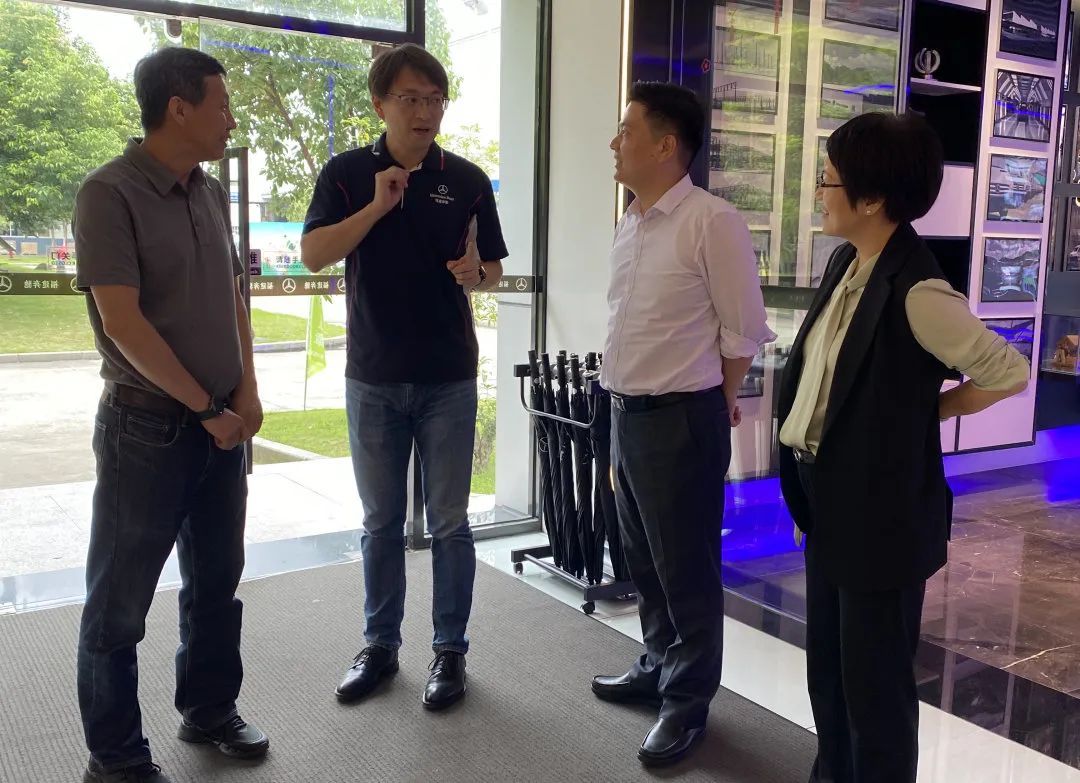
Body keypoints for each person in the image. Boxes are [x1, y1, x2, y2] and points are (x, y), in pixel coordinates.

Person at [777, 112, 1030, 783]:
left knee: (875, 694)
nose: (819, 193)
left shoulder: (919, 290)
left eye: (828, 180)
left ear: (872, 199)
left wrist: (927, 414)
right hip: (831, 503)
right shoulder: (849, 262)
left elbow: (1008, 371)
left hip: (881, 518)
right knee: (830, 677)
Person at [74, 48, 269, 783]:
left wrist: (247, 392)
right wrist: (206, 408)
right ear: (178, 109)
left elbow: (233, 296)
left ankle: (209, 709)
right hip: (147, 429)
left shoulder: (209, 191)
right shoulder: (108, 193)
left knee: (216, 583)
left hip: (222, 428)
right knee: (119, 605)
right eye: (222, 105)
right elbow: (122, 322)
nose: (231, 120)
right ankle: (117, 757)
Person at [300, 43, 507, 711]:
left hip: (448, 376)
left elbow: (492, 268)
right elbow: (313, 254)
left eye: (435, 99)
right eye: (411, 98)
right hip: (374, 376)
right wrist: (376, 207)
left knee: (449, 522)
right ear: (380, 104)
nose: (425, 111)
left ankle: (450, 651)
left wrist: (477, 273)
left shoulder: (467, 179)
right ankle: (380, 646)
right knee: (381, 523)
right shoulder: (346, 173)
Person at [591, 81, 775, 767]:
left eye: (627, 131)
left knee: (686, 568)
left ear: (666, 145)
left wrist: (713, 401)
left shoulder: (712, 222)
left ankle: (688, 700)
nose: (615, 143)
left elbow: (743, 330)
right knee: (642, 557)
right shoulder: (632, 221)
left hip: (680, 418)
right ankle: (656, 664)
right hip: (624, 412)